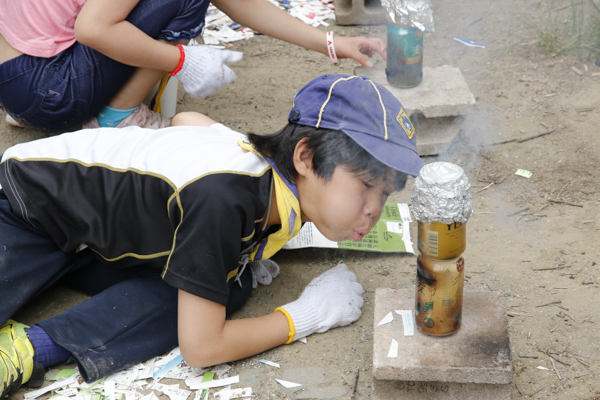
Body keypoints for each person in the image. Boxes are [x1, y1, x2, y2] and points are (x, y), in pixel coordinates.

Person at [0, 74, 424, 398]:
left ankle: (33, 348)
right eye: (366, 185)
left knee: (227, 285)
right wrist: (304, 317)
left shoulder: (260, 171)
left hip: (97, 238)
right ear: (306, 156)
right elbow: (202, 349)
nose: (374, 207)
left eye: (385, 192)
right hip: (24, 204)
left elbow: (189, 119)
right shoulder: (226, 196)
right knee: (214, 303)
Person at [0, 0, 386, 133]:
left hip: (16, 78)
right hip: (48, 91)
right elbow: (93, 28)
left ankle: (37, 113)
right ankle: (118, 120)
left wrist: (332, 43)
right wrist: (182, 60)